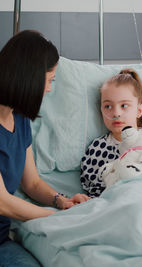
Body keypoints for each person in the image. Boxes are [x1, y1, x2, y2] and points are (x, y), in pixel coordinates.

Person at [0, 30, 90, 266]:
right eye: (49, 80)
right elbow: (3, 202)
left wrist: (62, 201)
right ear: (29, 76)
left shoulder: (19, 119)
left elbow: (32, 183)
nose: (50, 89)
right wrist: (61, 217)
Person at [80, 68, 142, 197]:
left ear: (139, 110)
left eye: (124, 105)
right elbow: (96, 194)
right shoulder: (97, 149)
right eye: (108, 106)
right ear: (101, 110)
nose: (116, 113)